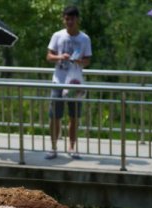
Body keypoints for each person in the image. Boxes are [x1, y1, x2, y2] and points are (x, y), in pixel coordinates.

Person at [45, 6, 92, 160]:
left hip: (75, 82)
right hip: (58, 81)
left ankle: (71, 147)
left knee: (74, 116)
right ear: (63, 19)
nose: (69, 22)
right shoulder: (57, 35)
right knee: (55, 116)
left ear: (77, 19)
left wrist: (80, 61)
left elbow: (88, 60)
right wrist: (60, 57)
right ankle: (53, 147)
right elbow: (49, 56)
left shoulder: (84, 38)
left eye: (72, 19)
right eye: (67, 19)